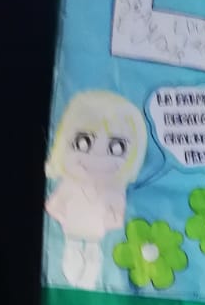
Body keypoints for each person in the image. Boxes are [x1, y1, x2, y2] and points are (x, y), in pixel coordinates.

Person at [44, 90, 148, 289]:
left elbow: (117, 213)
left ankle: (86, 282)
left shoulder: (115, 189)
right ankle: (72, 280)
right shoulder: (70, 184)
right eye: (83, 143)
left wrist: (111, 220)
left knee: (93, 255)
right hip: (72, 230)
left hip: (95, 234)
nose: (99, 157)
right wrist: (62, 215)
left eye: (117, 148)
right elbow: (54, 205)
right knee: (72, 251)